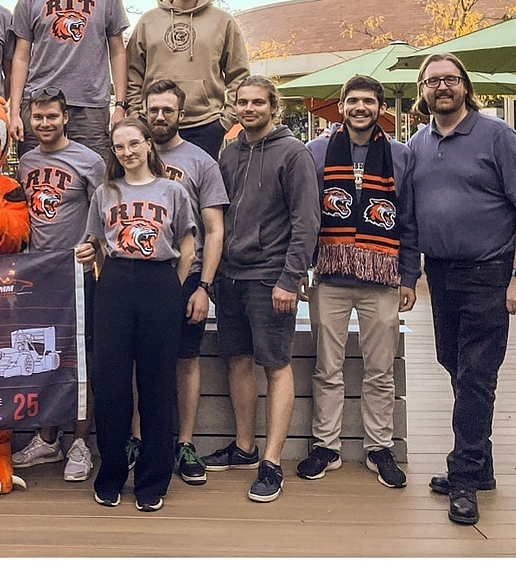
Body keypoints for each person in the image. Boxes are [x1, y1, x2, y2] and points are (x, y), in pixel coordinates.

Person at [406, 53, 516, 526]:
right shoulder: (418, 143)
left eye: (450, 79)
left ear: (465, 86)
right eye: (433, 81)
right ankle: (480, 466)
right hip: (440, 276)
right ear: (422, 91)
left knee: (478, 372)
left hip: (489, 272)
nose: (442, 87)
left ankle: (462, 478)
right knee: (455, 365)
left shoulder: (498, 135)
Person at [202, 75, 319, 503]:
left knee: (276, 364)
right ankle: (245, 448)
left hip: (272, 278)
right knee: (237, 360)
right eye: (242, 103)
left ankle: (272, 461)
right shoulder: (229, 154)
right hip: (230, 277)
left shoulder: (294, 153)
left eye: (258, 102)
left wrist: (290, 277)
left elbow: (307, 222)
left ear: (274, 107)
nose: (249, 109)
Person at [299, 74, 418, 489]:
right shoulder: (314, 152)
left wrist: (410, 276)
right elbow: (306, 217)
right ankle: (326, 446)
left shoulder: (401, 156)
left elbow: (408, 220)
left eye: (368, 101)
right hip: (330, 274)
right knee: (326, 366)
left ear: (380, 108)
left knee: (380, 369)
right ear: (342, 106)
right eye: (352, 101)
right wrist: (300, 266)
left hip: (382, 275)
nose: (360, 108)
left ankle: (379, 447)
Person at [76, 118, 195, 512]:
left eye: (133, 144)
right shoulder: (105, 192)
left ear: (148, 145)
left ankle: (152, 479)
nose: (127, 152)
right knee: (110, 384)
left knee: (157, 386)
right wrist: (87, 251)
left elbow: (188, 247)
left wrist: (173, 292)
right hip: (114, 284)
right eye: (119, 147)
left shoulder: (173, 190)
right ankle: (110, 474)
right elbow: (94, 240)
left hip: (159, 282)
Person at [128, 80, 226, 485]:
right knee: (136, 360)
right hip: (138, 276)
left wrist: (204, 286)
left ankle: (184, 443)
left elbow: (215, 230)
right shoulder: (129, 157)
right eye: (154, 110)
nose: (160, 117)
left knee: (186, 359)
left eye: (168, 110)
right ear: (145, 111)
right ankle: (137, 438)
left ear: (180, 115)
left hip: (185, 280)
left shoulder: (201, 161)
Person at [11, 87, 105, 482]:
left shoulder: (91, 160)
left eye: (52, 116)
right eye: (38, 117)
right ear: (30, 120)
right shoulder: (26, 161)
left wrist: (95, 244)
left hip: (78, 274)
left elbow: (108, 209)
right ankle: (48, 437)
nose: (45, 123)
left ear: (66, 117)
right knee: (44, 357)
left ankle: (80, 442)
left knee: (82, 361)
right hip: (37, 275)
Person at [9, 0, 129, 161]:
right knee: (37, 177)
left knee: (95, 182)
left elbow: (118, 51)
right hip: (40, 104)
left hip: (90, 107)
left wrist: (120, 106)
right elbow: (21, 57)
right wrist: (14, 112)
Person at [125, 0, 250, 159]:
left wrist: (225, 120)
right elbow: (132, 73)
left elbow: (239, 75)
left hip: (205, 125)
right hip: (155, 124)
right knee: (153, 190)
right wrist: (137, 114)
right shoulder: (148, 21)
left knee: (199, 191)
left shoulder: (223, 22)